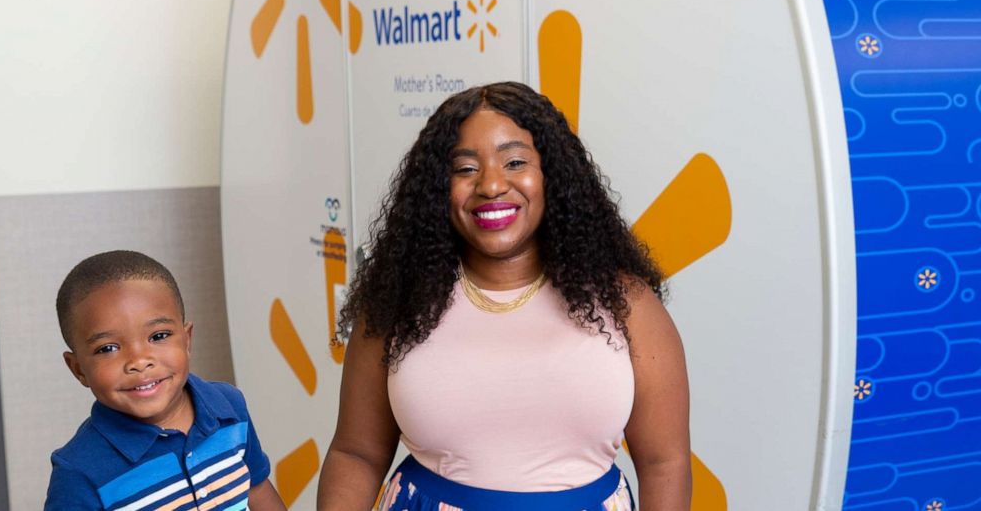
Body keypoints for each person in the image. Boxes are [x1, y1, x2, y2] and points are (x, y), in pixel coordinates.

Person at [317, 82, 691, 510]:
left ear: (553, 174)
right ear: (439, 188)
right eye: (465, 169)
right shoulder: (397, 303)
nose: (491, 185)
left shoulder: (626, 303)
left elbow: (666, 462)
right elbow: (356, 454)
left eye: (515, 161)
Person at [45, 250, 286, 511]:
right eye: (108, 348)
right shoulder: (79, 472)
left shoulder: (229, 407)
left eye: (158, 336)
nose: (139, 360)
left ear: (187, 340)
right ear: (78, 369)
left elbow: (258, 488)